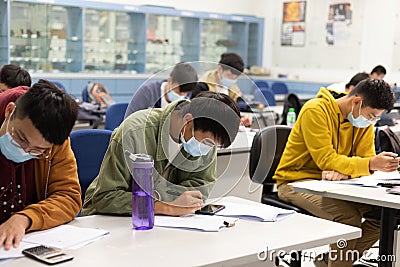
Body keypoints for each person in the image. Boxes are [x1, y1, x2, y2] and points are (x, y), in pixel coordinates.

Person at [274, 79, 396, 267]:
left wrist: (348, 172)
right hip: (295, 182)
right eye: (371, 115)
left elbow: (366, 159)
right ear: (356, 102)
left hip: (335, 184)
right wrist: (370, 164)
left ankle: (330, 262)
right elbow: (326, 159)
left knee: (385, 215)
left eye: (375, 118)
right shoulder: (315, 110)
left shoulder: (362, 122)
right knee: (348, 218)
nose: (372, 121)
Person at [83, 91, 241, 216]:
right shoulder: (135, 132)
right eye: (208, 143)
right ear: (188, 120)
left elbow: (199, 190)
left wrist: (169, 203)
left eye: (214, 145)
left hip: (164, 224)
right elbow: (105, 198)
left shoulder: (207, 137)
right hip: (111, 220)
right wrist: (166, 206)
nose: (208, 148)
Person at [0, 80, 81, 250]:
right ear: (9, 111)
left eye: (38, 150)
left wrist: (25, 218)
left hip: (21, 245)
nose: (25, 150)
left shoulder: (56, 141)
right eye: (21, 138)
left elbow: (68, 197)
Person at [124, 62, 198, 119]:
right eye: (178, 91)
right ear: (170, 80)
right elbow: (129, 121)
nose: (181, 96)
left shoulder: (188, 99)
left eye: (185, 93)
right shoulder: (148, 91)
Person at [201, 53, 252, 126]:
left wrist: (241, 120)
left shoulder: (233, 88)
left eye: (235, 78)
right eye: (229, 75)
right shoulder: (203, 85)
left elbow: (240, 105)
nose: (232, 79)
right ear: (219, 69)